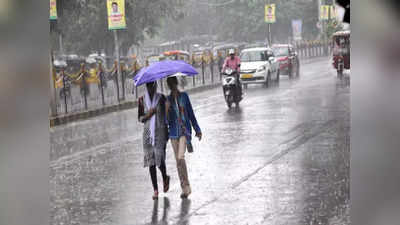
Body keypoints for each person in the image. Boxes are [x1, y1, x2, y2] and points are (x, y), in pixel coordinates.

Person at [165, 76, 202, 199]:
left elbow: (191, 113)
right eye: (169, 85)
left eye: (173, 84)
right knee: (177, 162)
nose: (172, 87)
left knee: (181, 157)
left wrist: (197, 129)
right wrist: (166, 109)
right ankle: (184, 189)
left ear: (176, 84)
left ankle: (186, 185)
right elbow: (166, 121)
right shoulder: (167, 100)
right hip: (173, 133)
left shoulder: (184, 96)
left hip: (184, 131)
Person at [138, 81, 170, 200]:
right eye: (148, 86)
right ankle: (155, 190)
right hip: (147, 134)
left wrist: (167, 107)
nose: (150, 89)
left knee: (159, 158)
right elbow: (140, 118)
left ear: (155, 86)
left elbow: (168, 113)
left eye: (152, 86)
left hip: (160, 132)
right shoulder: (141, 100)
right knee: (151, 161)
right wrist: (149, 115)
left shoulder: (161, 98)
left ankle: (165, 177)